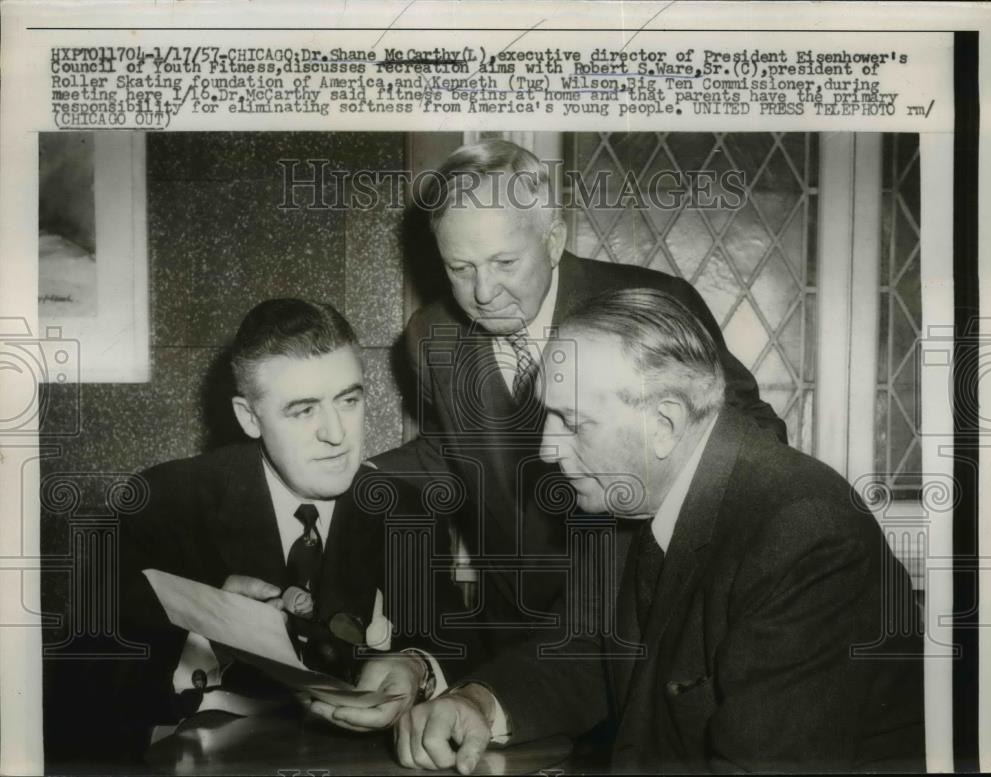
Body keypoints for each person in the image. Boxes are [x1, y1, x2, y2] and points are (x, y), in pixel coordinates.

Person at [395, 288, 925, 774]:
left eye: (573, 422)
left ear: (665, 424)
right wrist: (478, 703)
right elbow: (586, 655)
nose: (547, 450)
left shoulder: (805, 533)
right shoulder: (625, 499)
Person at [373, 138, 786, 656]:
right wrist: (343, 482)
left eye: (504, 262)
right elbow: (453, 452)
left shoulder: (655, 305)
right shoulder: (430, 335)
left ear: (551, 240)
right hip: (512, 638)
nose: (482, 292)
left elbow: (753, 438)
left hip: (634, 628)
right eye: (461, 268)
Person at [113, 299, 472, 751]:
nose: (337, 434)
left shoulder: (406, 510)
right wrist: (204, 632)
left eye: (349, 400)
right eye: (303, 410)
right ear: (249, 417)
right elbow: (91, 687)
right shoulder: (163, 504)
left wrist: (416, 668)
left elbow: (459, 640)